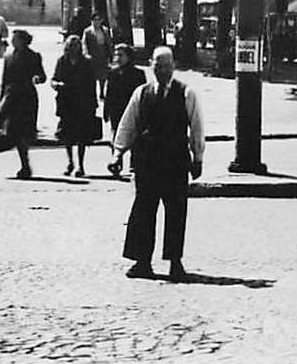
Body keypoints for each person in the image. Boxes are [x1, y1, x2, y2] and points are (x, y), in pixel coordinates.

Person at [111, 47, 204, 282]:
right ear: (151, 66)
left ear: (173, 67)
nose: (161, 70)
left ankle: (175, 262)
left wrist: (198, 157)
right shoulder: (141, 93)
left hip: (174, 161)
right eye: (157, 65)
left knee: (175, 211)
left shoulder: (186, 94)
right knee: (143, 210)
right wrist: (117, 153)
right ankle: (142, 261)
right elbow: (127, 125)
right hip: (147, 161)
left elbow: (196, 127)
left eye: (166, 65)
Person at [0, 28, 46, 178]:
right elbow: (5, 81)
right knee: (14, 131)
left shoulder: (33, 56)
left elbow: (42, 75)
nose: (12, 41)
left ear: (23, 40)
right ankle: (25, 164)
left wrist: (37, 78)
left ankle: (25, 165)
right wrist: (1, 100)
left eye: (15, 38)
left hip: (27, 97)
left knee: (24, 131)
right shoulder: (8, 57)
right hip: (11, 98)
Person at [51, 34, 102, 177]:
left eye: (77, 45)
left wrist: (93, 104)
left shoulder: (86, 62)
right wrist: (56, 85)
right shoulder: (62, 61)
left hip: (82, 102)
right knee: (67, 136)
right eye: (71, 45)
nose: (74, 48)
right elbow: (54, 78)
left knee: (81, 136)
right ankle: (70, 162)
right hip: (66, 101)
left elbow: (92, 84)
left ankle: (80, 164)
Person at [103, 42, 146, 147]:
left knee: (135, 140)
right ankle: (117, 162)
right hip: (116, 111)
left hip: (132, 110)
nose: (118, 58)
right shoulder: (113, 73)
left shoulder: (138, 74)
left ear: (129, 56)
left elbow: (143, 95)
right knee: (116, 139)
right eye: (116, 55)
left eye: (121, 55)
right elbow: (109, 93)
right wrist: (106, 110)